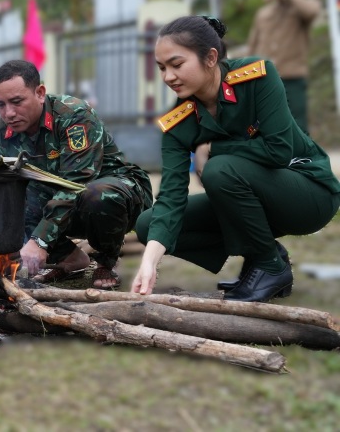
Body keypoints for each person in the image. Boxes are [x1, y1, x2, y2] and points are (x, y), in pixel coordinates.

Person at [131, 15, 340, 302]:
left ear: (210, 57)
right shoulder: (178, 122)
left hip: (308, 193)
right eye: (162, 68)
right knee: (149, 224)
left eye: (177, 65)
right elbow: (171, 198)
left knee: (219, 170)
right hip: (256, 204)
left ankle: (269, 266)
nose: (168, 77)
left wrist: (214, 149)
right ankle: (264, 252)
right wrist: (149, 261)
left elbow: (279, 150)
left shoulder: (257, 77)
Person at [0, 60, 153, 288]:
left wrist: (39, 241)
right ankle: (70, 259)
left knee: (96, 194)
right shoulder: (3, 142)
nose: (9, 113)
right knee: (10, 201)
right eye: (0, 105)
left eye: (17, 102)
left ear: (40, 93)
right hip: (67, 206)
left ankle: (107, 261)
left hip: (117, 197)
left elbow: (76, 182)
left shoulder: (73, 116)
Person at [247, 0, 321, 133]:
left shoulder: (303, 7)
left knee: (298, 124)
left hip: (292, 77)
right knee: (265, 125)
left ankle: (304, 159)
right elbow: (252, 45)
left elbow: (312, 11)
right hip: (265, 78)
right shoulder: (263, 13)